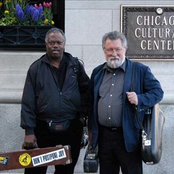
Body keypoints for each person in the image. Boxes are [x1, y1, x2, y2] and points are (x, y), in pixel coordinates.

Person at [88, 31, 164, 174]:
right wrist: (91, 130)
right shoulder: (97, 72)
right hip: (104, 138)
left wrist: (140, 99)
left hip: (129, 138)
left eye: (118, 49)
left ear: (125, 49)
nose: (114, 53)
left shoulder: (140, 70)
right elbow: (91, 102)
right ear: (104, 50)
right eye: (110, 49)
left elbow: (158, 92)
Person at [20, 27, 90, 174]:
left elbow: (86, 92)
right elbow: (28, 101)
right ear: (46, 45)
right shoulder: (36, 68)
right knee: (35, 171)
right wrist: (29, 131)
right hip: (43, 128)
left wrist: (82, 119)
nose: (55, 46)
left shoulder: (75, 66)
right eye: (51, 43)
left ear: (64, 44)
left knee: (65, 170)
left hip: (70, 127)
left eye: (59, 42)